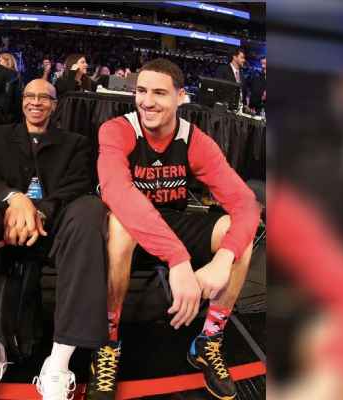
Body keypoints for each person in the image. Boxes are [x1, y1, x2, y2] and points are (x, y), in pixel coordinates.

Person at [94, 59, 260, 400]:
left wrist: (224, 259)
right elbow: (117, 192)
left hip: (173, 221)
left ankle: (208, 340)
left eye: (159, 93)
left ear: (180, 97)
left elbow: (245, 203)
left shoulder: (194, 140)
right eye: (141, 91)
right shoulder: (117, 130)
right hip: (132, 226)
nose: (147, 101)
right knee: (120, 223)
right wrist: (178, 259)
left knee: (236, 233)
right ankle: (108, 342)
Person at [0, 79, 109, 400]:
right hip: (3, 222)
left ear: (55, 105)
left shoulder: (76, 142)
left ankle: (58, 364)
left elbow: (76, 186)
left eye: (44, 97)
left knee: (91, 209)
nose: (36, 102)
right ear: (22, 102)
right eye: (30, 96)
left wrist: (39, 212)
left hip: (53, 228)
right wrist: (15, 199)